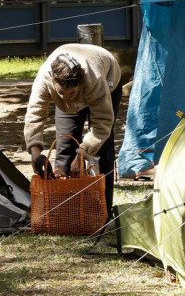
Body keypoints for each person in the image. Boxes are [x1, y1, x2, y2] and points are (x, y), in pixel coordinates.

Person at [23, 43, 122, 217]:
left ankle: (102, 213)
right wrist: (34, 151)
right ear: (54, 82)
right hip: (72, 86)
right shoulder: (45, 79)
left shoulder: (95, 79)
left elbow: (103, 123)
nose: (68, 98)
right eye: (63, 93)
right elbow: (34, 115)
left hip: (108, 79)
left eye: (72, 93)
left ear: (80, 84)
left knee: (101, 151)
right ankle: (63, 211)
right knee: (65, 145)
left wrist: (83, 153)